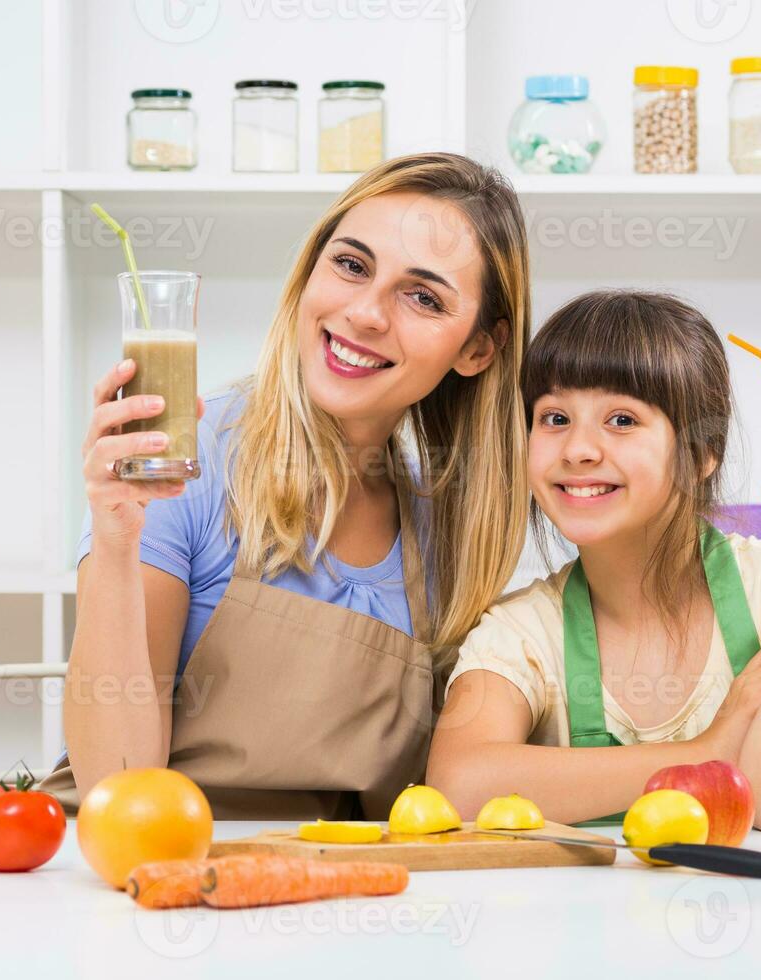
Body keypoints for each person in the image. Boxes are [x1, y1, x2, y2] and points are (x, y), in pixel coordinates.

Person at [40, 154, 532, 819]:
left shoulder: (447, 533)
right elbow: (118, 785)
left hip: (341, 892)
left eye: (422, 296)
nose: (364, 313)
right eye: (352, 265)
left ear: (477, 350)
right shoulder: (189, 465)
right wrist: (117, 540)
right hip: (153, 872)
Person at [426, 290, 761, 830]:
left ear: (703, 453)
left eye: (620, 419)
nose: (578, 449)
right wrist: (709, 749)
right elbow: (459, 786)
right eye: (554, 417)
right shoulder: (524, 630)